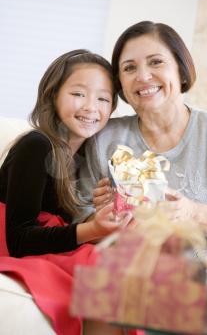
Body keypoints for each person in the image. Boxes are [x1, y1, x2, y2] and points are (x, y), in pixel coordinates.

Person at [0, 49, 140, 335]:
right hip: (10, 245)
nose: (91, 107)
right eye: (79, 94)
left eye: (103, 99)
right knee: (103, 268)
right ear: (53, 95)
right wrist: (93, 230)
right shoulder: (36, 145)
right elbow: (18, 239)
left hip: (46, 245)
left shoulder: (87, 157)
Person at [78, 21, 207, 237]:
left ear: (182, 70)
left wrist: (193, 212)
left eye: (156, 62)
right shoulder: (103, 138)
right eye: (129, 68)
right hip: (125, 266)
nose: (142, 76)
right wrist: (103, 217)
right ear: (120, 83)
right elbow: (80, 221)